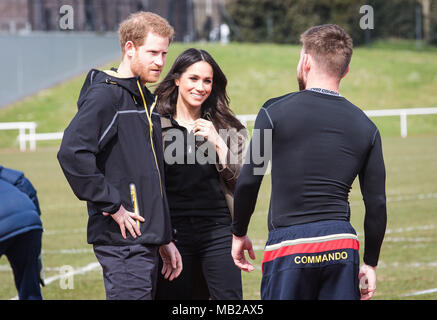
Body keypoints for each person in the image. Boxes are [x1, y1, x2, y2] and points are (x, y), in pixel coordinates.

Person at [231, 24, 387, 300]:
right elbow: (376, 204)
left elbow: (249, 179)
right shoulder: (367, 127)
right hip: (341, 245)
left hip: (289, 248)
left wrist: (239, 232)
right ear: (345, 70)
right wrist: (370, 263)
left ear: (305, 61)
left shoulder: (273, 111)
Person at [57, 12, 182, 300]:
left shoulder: (141, 98)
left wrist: (162, 236)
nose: (160, 62)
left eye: (164, 53)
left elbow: (144, 173)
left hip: (145, 240)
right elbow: (72, 153)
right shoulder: (106, 96)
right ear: (129, 48)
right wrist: (113, 206)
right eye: (152, 52)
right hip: (122, 243)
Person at [154, 48, 246, 300]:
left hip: (218, 232)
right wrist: (162, 237)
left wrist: (218, 142)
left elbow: (242, 180)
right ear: (177, 79)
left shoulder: (228, 127)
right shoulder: (154, 126)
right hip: (172, 236)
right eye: (193, 79)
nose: (201, 87)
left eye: (207, 80)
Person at [0, 166, 44, 300]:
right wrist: (34, 217)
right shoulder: (4, 174)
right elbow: (23, 183)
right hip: (29, 221)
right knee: (30, 291)